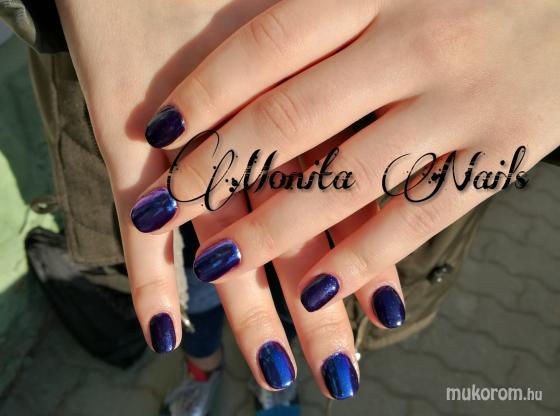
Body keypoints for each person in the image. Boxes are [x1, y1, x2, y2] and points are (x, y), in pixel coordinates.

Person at [1, 0, 559, 412]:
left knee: (310, 293)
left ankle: (273, 383)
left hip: (411, 87)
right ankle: (203, 369)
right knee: (191, 284)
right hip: (151, 75)